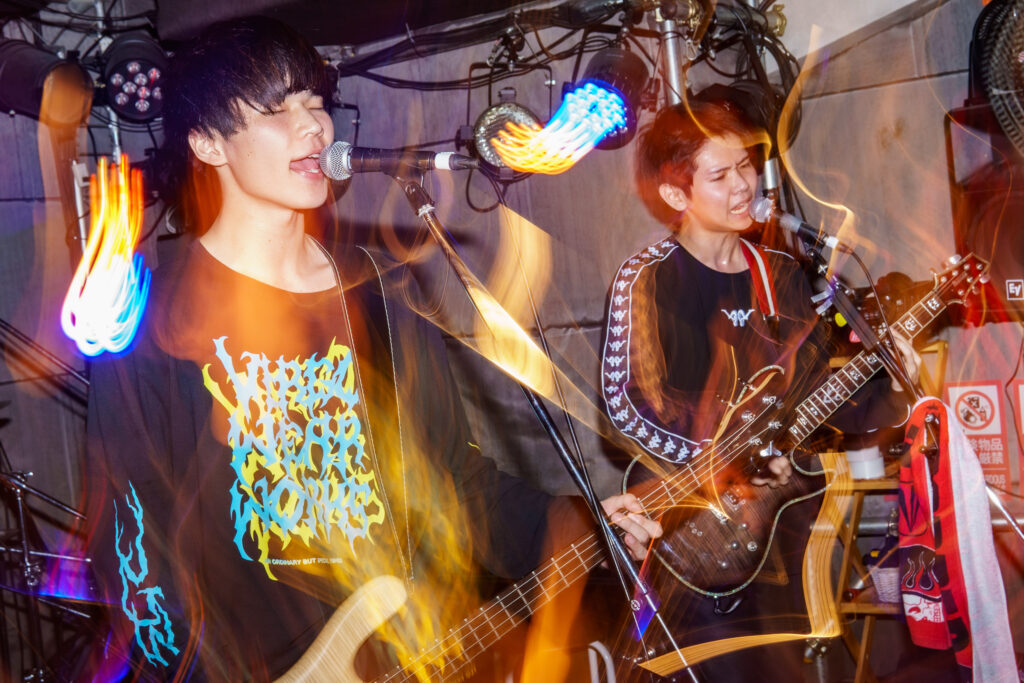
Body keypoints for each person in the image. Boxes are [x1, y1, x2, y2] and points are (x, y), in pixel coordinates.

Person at [82, 16, 660, 681]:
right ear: (208, 143)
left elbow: (455, 480)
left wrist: (576, 522)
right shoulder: (149, 314)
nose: (313, 125)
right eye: (276, 109)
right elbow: (133, 549)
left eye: (315, 102)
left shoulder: (379, 292)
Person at [600, 99, 919, 678]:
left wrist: (895, 384)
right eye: (720, 175)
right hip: (693, 534)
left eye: (746, 166)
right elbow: (628, 406)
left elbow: (829, 403)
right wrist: (730, 459)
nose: (744, 185)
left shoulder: (785, 274)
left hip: (784, 530)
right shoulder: (645, 279)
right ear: (676, 194)